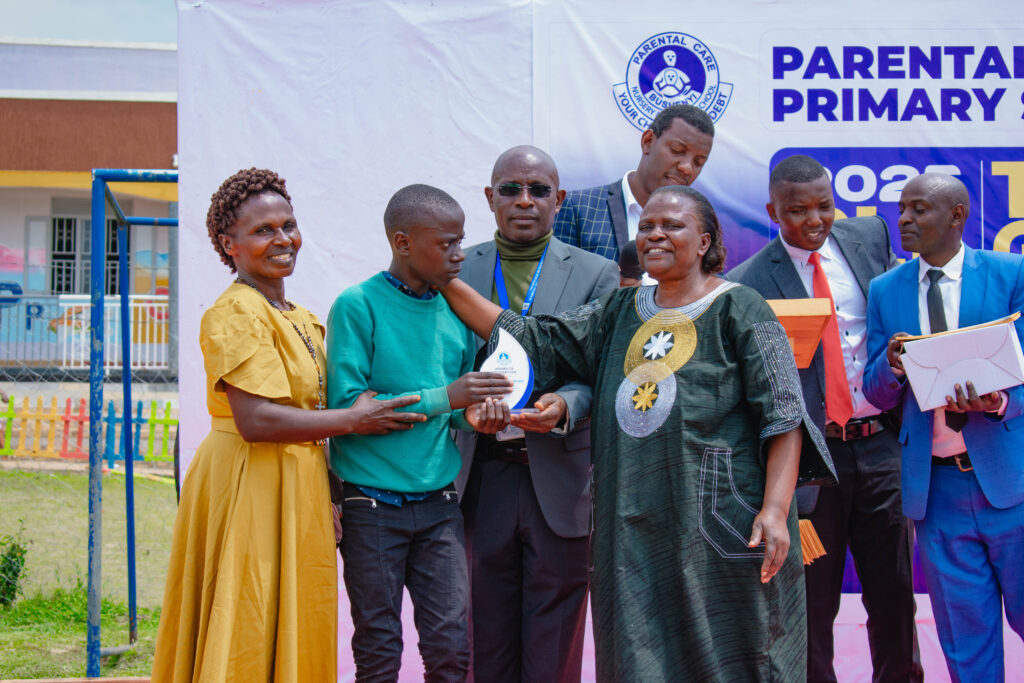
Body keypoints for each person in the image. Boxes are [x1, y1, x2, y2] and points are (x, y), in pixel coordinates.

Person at [443, 184, 837, 681]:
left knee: (732, 657)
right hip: (631, 530)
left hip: (720, 526)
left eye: (672, 226)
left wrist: (777, 511)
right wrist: (443, 279)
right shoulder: (618, 311)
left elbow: (784, 416)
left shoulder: (742, 307)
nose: (655, 234)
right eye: (647, 226)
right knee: (638, 659)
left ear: (705, 241)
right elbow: (536, 339)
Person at [152, 168, 426, 683]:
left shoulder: (298, 314)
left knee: (294, 614)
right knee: (248, 616)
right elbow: (255, 419)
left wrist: (332, 486)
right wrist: (355, 420)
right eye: (263, 230)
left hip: (299, 482)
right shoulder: (235, 312)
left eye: (288, 225)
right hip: (249, 481)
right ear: (228, 244)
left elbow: (312, 408)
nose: (282, 239)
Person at [728, 155, 921, 683]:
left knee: (895, 595)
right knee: (810, 607)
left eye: (825, 207)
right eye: (798, 211)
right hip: (809, 459)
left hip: (881, 443)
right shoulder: (747, 284)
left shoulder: (870, 238)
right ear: (772, 212)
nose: (815, 220)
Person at [326, 184, 513, 682]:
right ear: (403, 243)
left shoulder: (456, 312)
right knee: (379, 647)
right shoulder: (357, 305)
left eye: (461, 241)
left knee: (451, 649)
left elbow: (453, 414)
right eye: (446, 244)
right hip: (370, 505)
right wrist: (447, 398)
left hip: (439, 504)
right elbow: (349, 408)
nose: (459, 255)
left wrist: (476, 416)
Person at [454, 145, 619, 682]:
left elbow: (601, 372)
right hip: (480, 478)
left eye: (538, 190)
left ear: (559, 199)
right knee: (483, 643)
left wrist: (566, 405)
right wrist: (466, 407)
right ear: (490, 197)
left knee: (555, 651)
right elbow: (439, 363)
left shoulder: (598, 273)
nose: (524, 200)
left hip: (561, 478)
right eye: (510, 189)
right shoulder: (454, 269)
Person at [863, 172, 1024, 683]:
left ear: (957, 216)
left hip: (1012, 484)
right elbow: (875, 391)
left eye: (918, 209)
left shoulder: (1010, 274)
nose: (904, 220)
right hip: (938, 493)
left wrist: (999, 402)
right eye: (901, 209)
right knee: (966, 643)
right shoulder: (885, 290)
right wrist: (891, 367)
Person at [552, 103, 714, 261]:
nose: (687, 168)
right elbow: (560, 275)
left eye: (698, 162)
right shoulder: (579, 208)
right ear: (647, 141)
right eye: (677, 150)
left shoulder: (697, 225)